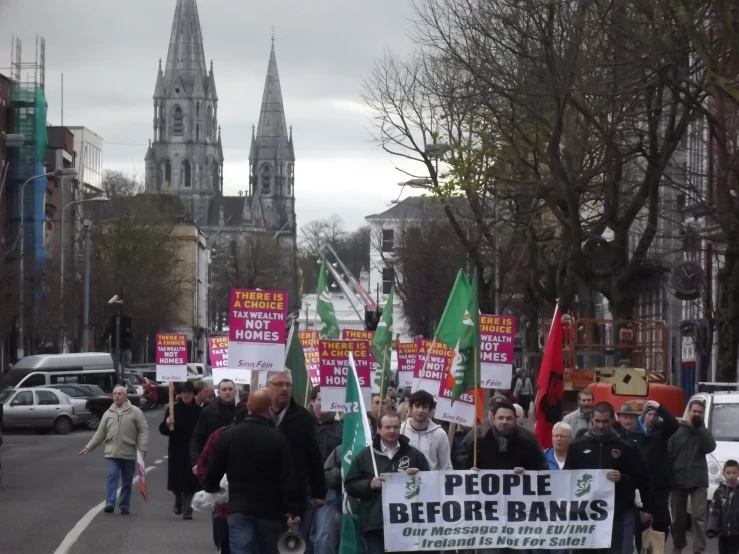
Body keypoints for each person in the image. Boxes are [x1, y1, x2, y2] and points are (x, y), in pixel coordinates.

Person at [205, 389, 301, 554]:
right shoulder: (278, 439)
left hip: (239, 507)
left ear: (248, 407)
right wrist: (293, 509)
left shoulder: (228, 436)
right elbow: (288, 477)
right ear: (269, 409)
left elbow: (214, 470)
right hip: (270, 510)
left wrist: (211, 486)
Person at [564, 402, 654, 554]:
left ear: (613, 420)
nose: (600, 425)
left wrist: (622, 478)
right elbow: (566, 477)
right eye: (597, 421)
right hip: (584, 515)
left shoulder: (627, 447)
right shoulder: (577, 446)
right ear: (591, 419)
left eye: (605, 421)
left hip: (616, 515)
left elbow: (641, 478)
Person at [345, 411, 430, 554]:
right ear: (379, 429)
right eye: (388, 427)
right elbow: (350, 485)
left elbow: (430, 484)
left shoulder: (414, 454)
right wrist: (369, 485)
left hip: (407, 523)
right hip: (376, 524)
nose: (392, 431)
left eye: (396, 427)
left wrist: (418, 477)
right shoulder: (367, 455)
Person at [267, 371, 326, 525]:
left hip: (293, 491)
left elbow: (313, 455)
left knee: (292, 543)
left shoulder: (302, 416)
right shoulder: (257, 413)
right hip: (262, 491)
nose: (285, 389)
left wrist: (318, 492)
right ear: (268, 386)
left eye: (288, 385)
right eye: (279, 384)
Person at [79, 385, 149, 515]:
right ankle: (110, 503)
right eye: (115, 394)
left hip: (128, 452)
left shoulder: (135, 412)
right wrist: (89, 447)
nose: (117, 396)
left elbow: (143, 431)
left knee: (127, 480)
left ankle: (124, 505)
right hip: (112, 452)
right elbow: (100, 433)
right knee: (112, 475)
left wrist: (143, 448)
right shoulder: (108, 413)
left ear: (125, 396)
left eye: (119, 394)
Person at [628, 399, 680, 552]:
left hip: (659, 485)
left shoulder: (661, 431)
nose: (652, 418)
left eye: (656, 415)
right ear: (643, 415)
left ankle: (657, 548)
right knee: (641, 523)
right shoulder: (633, 433)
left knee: (662, 522)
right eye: (649, 414)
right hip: (641, 487)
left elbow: (674, 424)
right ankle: (641, 548)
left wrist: (660, 406)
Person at [668, 399, 717, 554]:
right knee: (678, 519)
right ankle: (678, 546)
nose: (697, 414)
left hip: (698, 481)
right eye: (694, 411)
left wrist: (699, 428)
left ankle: (698, 550)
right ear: (688, 411)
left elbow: (710, 447)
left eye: (700, 412)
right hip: (678, 480)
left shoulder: (704, 431)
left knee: (699, 517)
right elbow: (668, 454)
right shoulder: (676, 430)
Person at [456, 399, 547, 471]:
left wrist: (527, 473)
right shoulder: (478, 446)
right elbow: (462, 469)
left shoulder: (528, 446)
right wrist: (470, 471)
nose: (504, 422)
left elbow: (542, 470)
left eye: (509, 418)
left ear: (515, 420)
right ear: (493, 419)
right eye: (500, 418)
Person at [306, 386, 343, 554]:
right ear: (312, 401)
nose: (325, 404)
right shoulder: (300, 424)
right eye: (321, 399)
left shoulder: (341, 429)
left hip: (327, 488)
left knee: (324, 535)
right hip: (302, 488)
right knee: (300, 536)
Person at [159, 380, 202, 519]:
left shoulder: (199, 411)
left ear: (193, 394)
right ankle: (178, 499)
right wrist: (167, 424)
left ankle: (188, 508)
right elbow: (163, 430)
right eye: (183, 392)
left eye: (189, 392)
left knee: (191, 479)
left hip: (193, 449)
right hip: (177, 448)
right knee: (177, 478)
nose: (186, 395)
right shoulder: (173, 409)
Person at [190, 379, 239, 466]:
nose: (227, 392)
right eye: (224, 390)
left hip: (236, 461)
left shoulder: (242, 411)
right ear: (219, 392)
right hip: (213, 461)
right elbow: (197, 438)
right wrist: (196, 461)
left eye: (230, 389)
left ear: (235, 392)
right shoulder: (208, 411)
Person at [401, 390, 453, 471]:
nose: (420, 410)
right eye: (417, 406)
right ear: (411, 408)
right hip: (405, 481)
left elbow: (446, 466)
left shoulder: (440, 434)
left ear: (430, 410)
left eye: (424, 407)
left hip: (431, 482)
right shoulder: (401, 430)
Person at [707, 460, 739, 554]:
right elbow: (714, 510)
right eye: (728, 473)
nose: (731, 475)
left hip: (736, 532)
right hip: (723, 532)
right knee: (722, 551)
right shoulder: (719, 492)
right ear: (723, 474)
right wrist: (711, 528)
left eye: (734, 472)